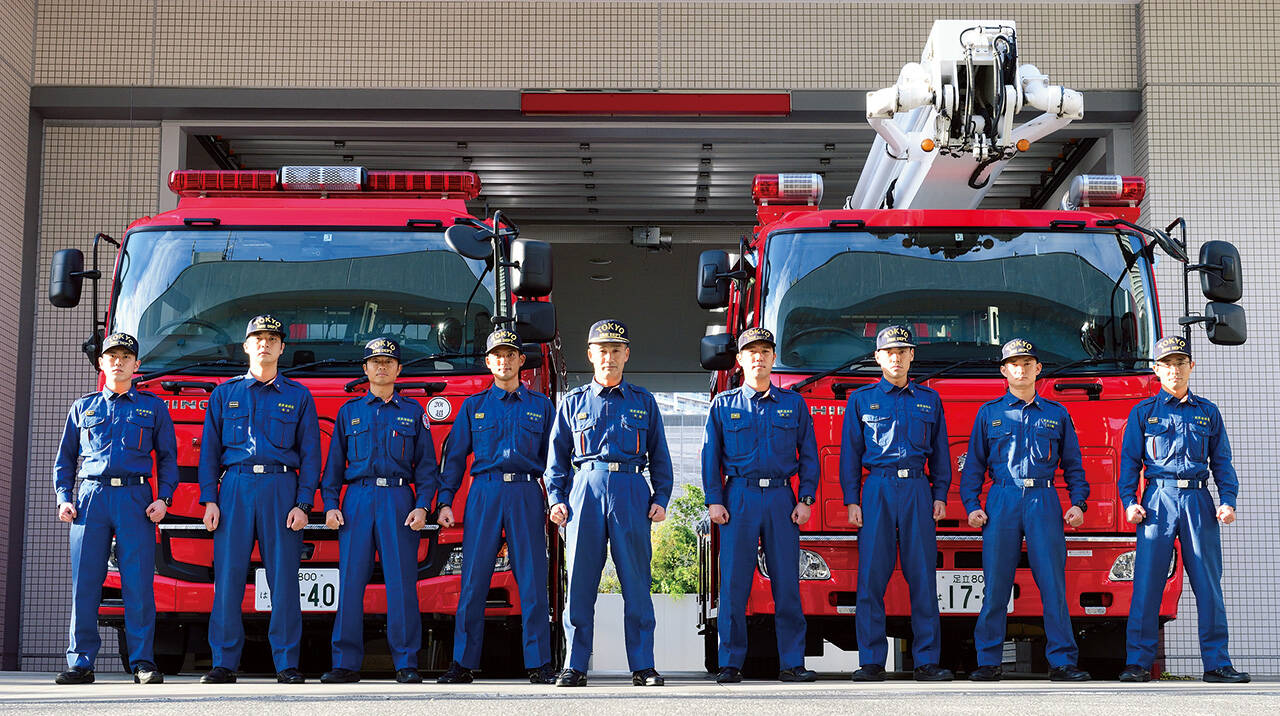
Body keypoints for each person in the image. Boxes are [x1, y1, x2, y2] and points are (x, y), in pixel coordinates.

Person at [546, 319, 673, 687]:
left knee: (637, 582)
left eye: (616, 350)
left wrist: (661, 497)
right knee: (579, 584)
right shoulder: (573, 403)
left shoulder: (643, 402)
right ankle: (575, 665)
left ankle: (643, 666)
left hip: (631, 490)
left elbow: (660, 456)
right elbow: (557, 458)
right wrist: (556, 499)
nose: (609, 357)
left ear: (626, 354)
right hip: (585, 490)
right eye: (602, 350)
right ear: (590, 355)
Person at [198, 315, 322, 684]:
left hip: (281, 490)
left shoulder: (299, 396)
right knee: (228, 579)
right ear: (246, 346)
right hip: (235, 489)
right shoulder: (224, 394)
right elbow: (209, 453)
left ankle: (286, 663)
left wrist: (303, 503)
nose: (264, 344)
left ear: (282, 348)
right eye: (258, 338)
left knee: (284, 581)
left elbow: (311, 455)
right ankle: (224, 662)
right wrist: (209, 500)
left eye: (272, 338)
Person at [1118, 335, 1249, 683]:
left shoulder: (1207, 412)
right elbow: (1129, 464)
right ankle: (1138, 663)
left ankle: (1217, 664)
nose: (1174, 370)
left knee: (1208, 584)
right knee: (1147, 584)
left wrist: (1228, 500)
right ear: (1156, 370)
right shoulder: (1144, 412)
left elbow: (1222, 462)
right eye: (1166, 364)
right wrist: (1130, 502)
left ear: (1191, 366)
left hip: (1197, 501)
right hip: (1157, 503)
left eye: (1180, 363)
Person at [959, 338, 1090, 682]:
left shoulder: (1057, 414)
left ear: (1038, 369)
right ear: (1004, 371)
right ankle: (989, 661)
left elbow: (1074, 466)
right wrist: (972, 505)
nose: (1021, 369)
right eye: (1014, 364)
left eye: (1027, 363)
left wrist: (1078, 503)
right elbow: (973, 467)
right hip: (1001, 500)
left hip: (1043, 500)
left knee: (1053, 585)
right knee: (995, 587)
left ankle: (1062, 662)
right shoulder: (989, 413)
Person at [53, 332, 178, 685]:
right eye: (112, 356)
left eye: (125, 357)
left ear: (137, 365)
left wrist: (164, 499)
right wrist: (64, 497)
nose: (118, 362)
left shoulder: (153, 407)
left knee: (138, 584)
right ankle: (80, 662)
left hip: (136, 500)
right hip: (91, 498)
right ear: (101, 364)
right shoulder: (83, 407)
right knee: (86, 583)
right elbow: (65, 459)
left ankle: (143, 662)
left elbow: (168, 458)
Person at [436, 329, 557, 685]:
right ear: (488, 362)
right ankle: (462, 663)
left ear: (521, 361)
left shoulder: (541, 406)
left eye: (510, 355)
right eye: (497, 355)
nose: (504, 361)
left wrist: (557, 499)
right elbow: (454, 458)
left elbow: (555, 459)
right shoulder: (473, 406)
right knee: (473, 580)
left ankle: (539, 663)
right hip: (485, 493)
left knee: (532, 580)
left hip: (526, 492)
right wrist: (445, 501)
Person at [702, 327, 819, 683]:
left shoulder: (793, 404)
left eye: (765, 352)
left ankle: (792, 663)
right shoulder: (723, 405)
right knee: (734, 584)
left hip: (782, 498)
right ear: (739, 360)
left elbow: (809, 455)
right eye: (751, 352)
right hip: (739, 497)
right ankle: (730, 663)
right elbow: (710, 457)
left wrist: (806, 498)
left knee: (787, 584)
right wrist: (714, 500)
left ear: (773, 358)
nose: (758, 358)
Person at [319, 338, 436, 685]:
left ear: (398, 369)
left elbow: (426, 468)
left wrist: (422, 506)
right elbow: (333, 468)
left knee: (402, 583)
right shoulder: (349, 412)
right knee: (350, 582)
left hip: (398, 501)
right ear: (365, 369)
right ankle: (345, 663)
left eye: (388, 362)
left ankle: (406, 661)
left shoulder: (413, 412)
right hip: (357, 500)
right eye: (375, 362)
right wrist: (330, 505)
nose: (382, 367)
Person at [839, 325, 953, 681]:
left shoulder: (929, 400)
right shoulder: (862, 400)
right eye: (890, 352)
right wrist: (852, 500)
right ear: (878, 357)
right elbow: (850, 455)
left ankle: (927, 661)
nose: (896, 358)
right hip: (878, 489)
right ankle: (872, 661)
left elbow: (941, 454)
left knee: (923, 578)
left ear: (912, 356)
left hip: (918, 489)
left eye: (903, 351)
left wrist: (940, 494)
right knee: (871, 578)